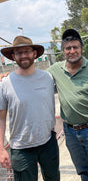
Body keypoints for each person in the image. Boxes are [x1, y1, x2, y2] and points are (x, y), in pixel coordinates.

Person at [47, 29, 88, 181]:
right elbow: (34, 76)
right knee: (84, 173)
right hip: (70, 132)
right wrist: (7, 76)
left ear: (81, 48)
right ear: (63, 51)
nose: (72, 51)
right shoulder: (55, 70)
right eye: (68, 48)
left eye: (75, 47)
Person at [0, 36, 60, 181]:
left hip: (48, 142)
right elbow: (1, 118)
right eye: (19, 53)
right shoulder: (5, 84)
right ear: (13, 57)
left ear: (34, 53)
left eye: (27, 51)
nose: (23, 55)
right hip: (21, 148)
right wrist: (1, 149)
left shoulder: (48, 78)